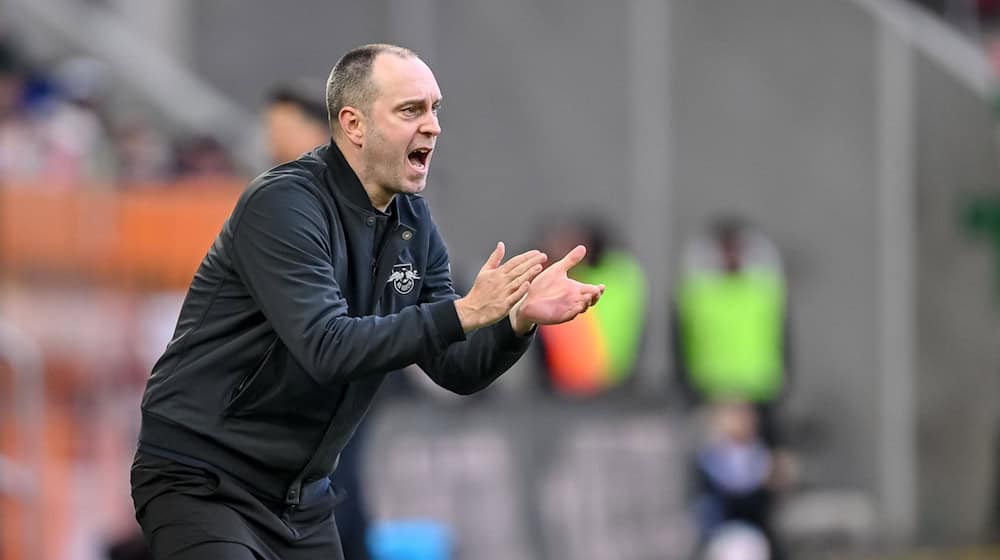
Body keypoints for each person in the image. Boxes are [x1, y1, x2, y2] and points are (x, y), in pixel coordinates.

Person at [130, 43, 604, 560]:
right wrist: (465, 312)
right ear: (353, 125)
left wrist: (515, 321)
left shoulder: (413, 223)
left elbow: (454, 367)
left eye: (434, 109)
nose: (433, 126)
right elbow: (326, 346)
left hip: (299, 497)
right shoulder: (283, 203)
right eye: (410, 110)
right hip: (203, 479)